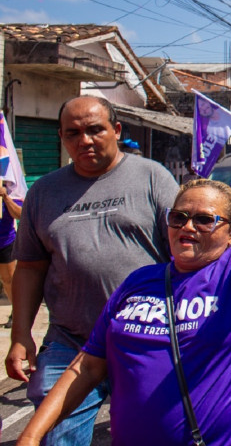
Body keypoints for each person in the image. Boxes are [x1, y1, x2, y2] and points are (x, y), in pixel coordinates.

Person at [16, 93, 231, 446]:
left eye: (204, 220)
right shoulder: (138, 282)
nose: (188, 227)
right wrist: (32, 436)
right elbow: (87, 365)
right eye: (179, 217)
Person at [7, 96, 180, 445]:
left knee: (152, 435)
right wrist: (20, 333)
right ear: (61, 137)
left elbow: (187, 253)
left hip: (145, 339)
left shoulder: (152, 177)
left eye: (94, 130)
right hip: (70, 341)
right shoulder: (43, 192)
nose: (84, 140)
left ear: (116, 130)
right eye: (73, 133)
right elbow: (29, 267)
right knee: (58, 437)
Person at [0, 181, 23, 328]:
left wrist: (5, 197)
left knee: (8, 280)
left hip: (4, 243)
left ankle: (17, 313)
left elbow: (19, 214)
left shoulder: (10, 193)